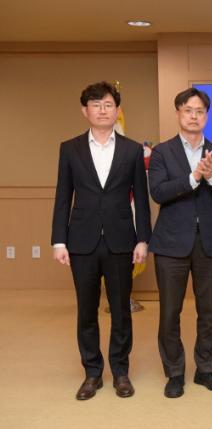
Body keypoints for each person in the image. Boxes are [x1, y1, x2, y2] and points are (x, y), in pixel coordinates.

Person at [51, 81, 151, 400]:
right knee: (86, 311)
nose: (102, 110)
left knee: (121, 311)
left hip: (122, 241)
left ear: (117, 110)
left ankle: (120, 371)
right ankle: (92, 373)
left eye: (108, 104)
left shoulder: (132, 150)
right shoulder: (70, 148)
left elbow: (142, 199)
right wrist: (58, 241)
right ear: (85, 111)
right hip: (81, 241)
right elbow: (63, 197)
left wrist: (143, 239)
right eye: (96, 105)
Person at [148, 87, 212, 398]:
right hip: (171, 244)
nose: (194, 116)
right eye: (188, 110)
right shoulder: (162, 152)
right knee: (169, 313)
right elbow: (158, 192)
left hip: (208, 243)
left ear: (206, 116)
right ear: (178, 114)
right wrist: (193, 178)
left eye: (200, 111)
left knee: (208, 312)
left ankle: (206, 369)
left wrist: (211, 177)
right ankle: (174, 372)